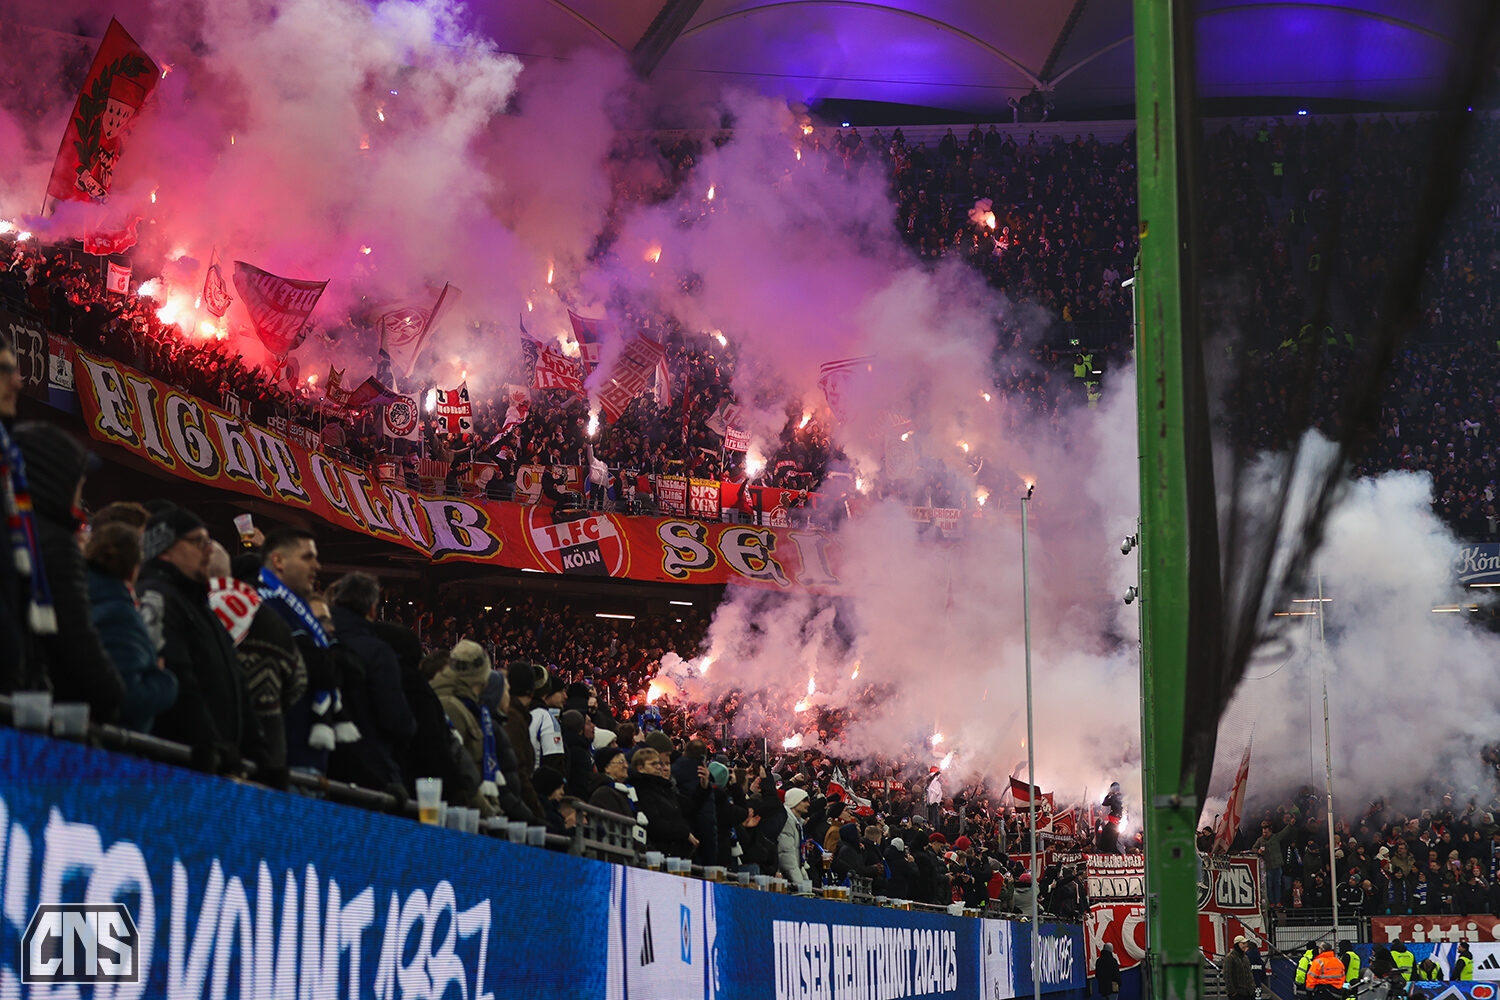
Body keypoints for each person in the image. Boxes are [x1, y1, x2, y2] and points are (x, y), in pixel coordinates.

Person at [12, 422, 124, 722]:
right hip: (28, 714)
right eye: (79, 481)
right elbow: (75, 641)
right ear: (58, 478)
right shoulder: (54, 543)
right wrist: (113, 695)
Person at [327, 572, 414, 793]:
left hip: (322, 762)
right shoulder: (377, 651)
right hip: (369, 769)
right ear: (373, 608)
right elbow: (395, 718)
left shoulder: (317, 637)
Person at [85, 522, 177, 731]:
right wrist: (164, 680)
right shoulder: (118, 615)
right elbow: (127, 697)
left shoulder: (78, 596)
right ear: (135, 567)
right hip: (114, 750)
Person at [630, 747, 696, 859]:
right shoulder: (642, 790)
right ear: (640, 768)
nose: (659, 767)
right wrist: (683, 832)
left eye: (659, 763)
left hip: (674, 852)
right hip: (658, 854)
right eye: (653, 764)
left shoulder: (664, 788)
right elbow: (656, 824)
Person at [778, 787, 811, 885]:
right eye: (804, 801)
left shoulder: (797, 823)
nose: (808, 804)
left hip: (792, 877)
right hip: (785, 880)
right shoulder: (787, 821)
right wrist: (800, 884)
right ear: (794, 801)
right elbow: (787, 856)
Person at [1223, 936, 1256, 1000]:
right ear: (1237, 944)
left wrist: (1252, 987)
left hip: (1249, 993)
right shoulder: (1230, 957)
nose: (1245, 945)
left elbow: (1250, 973)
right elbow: (1227, 976)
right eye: (1243, 943)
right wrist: (1233, 992)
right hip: (1238, 994)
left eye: (1246, 943)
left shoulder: (1245, 957)